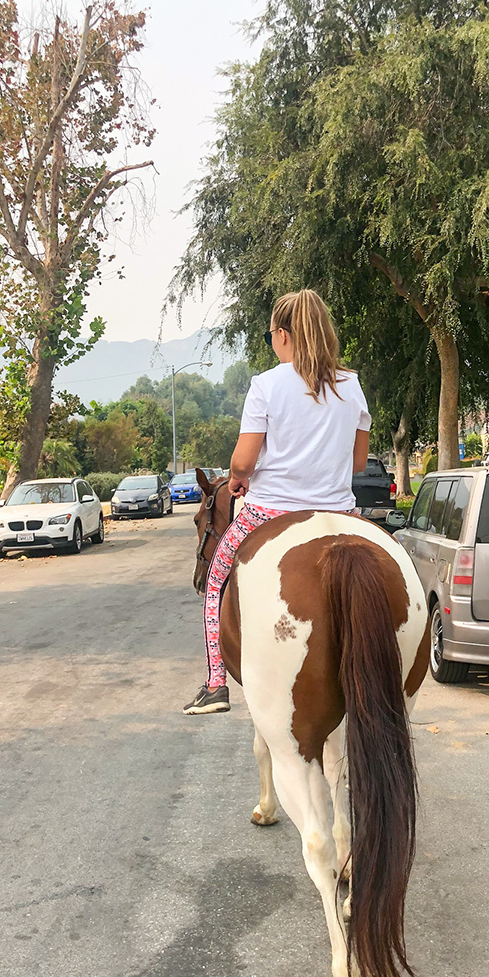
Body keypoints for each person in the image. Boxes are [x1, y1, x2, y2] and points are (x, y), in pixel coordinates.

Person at [183, 288, 371, 715]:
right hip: (340, 512)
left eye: (271, 336)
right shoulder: (352, 384)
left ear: (283, 335)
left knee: (215, 579)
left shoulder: (266, 385)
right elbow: (358, 462)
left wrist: (237, 478)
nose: (272, 342)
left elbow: (244, 460)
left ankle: (215, 683)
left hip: (272, 510)